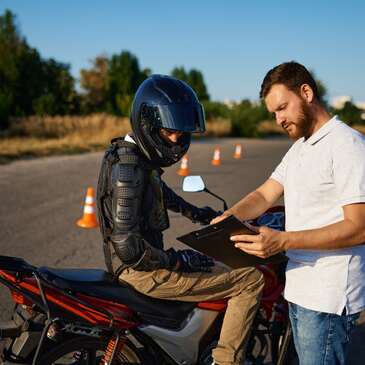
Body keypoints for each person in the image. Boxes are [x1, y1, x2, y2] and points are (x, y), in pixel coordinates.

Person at [96, 74, 264, 365]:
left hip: (146, 266)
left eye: (180, 131)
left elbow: (162, 194)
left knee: (214, 262)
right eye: (169, 131)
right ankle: (227, 360)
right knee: (250, 279)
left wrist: (198, 214)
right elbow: (129, 249)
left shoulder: (135, 159)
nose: (176, 139)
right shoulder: (128, 169)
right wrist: (176, 261)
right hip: (144, 272)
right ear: (148, 124)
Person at [212, 61, 365, 365]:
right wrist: (230, 218)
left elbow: (359, 228)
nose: (279, 119)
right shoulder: (301, 147)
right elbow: (264, 193)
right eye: (274, 113)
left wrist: (283, 241)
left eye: (282, 107)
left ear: (306, 92)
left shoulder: (348, 146)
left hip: (328, 297)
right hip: (299, 287)